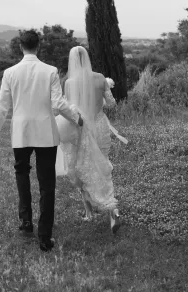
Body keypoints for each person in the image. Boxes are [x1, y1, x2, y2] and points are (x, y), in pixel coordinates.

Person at [0, 29, 83, 252]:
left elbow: (2, 108)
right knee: (47, 184)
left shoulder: (9, 73)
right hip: (46, 133)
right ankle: (45, 236)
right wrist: (77, 118)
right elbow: (58, 104)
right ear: (38, 46)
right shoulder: (50, 71)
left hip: (21, 133)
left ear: (21, 46)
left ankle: (26, 222)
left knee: (22, 174)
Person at [55, 46, 128, 234]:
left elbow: (71, 110)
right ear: (87, 57)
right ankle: (112, 209)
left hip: (81, 128)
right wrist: (104, 94)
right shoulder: (100, 77)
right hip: (100, 126)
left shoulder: (69, 83)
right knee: (102, 166)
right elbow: (111, 103)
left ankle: (89, 213)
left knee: (81, 167)